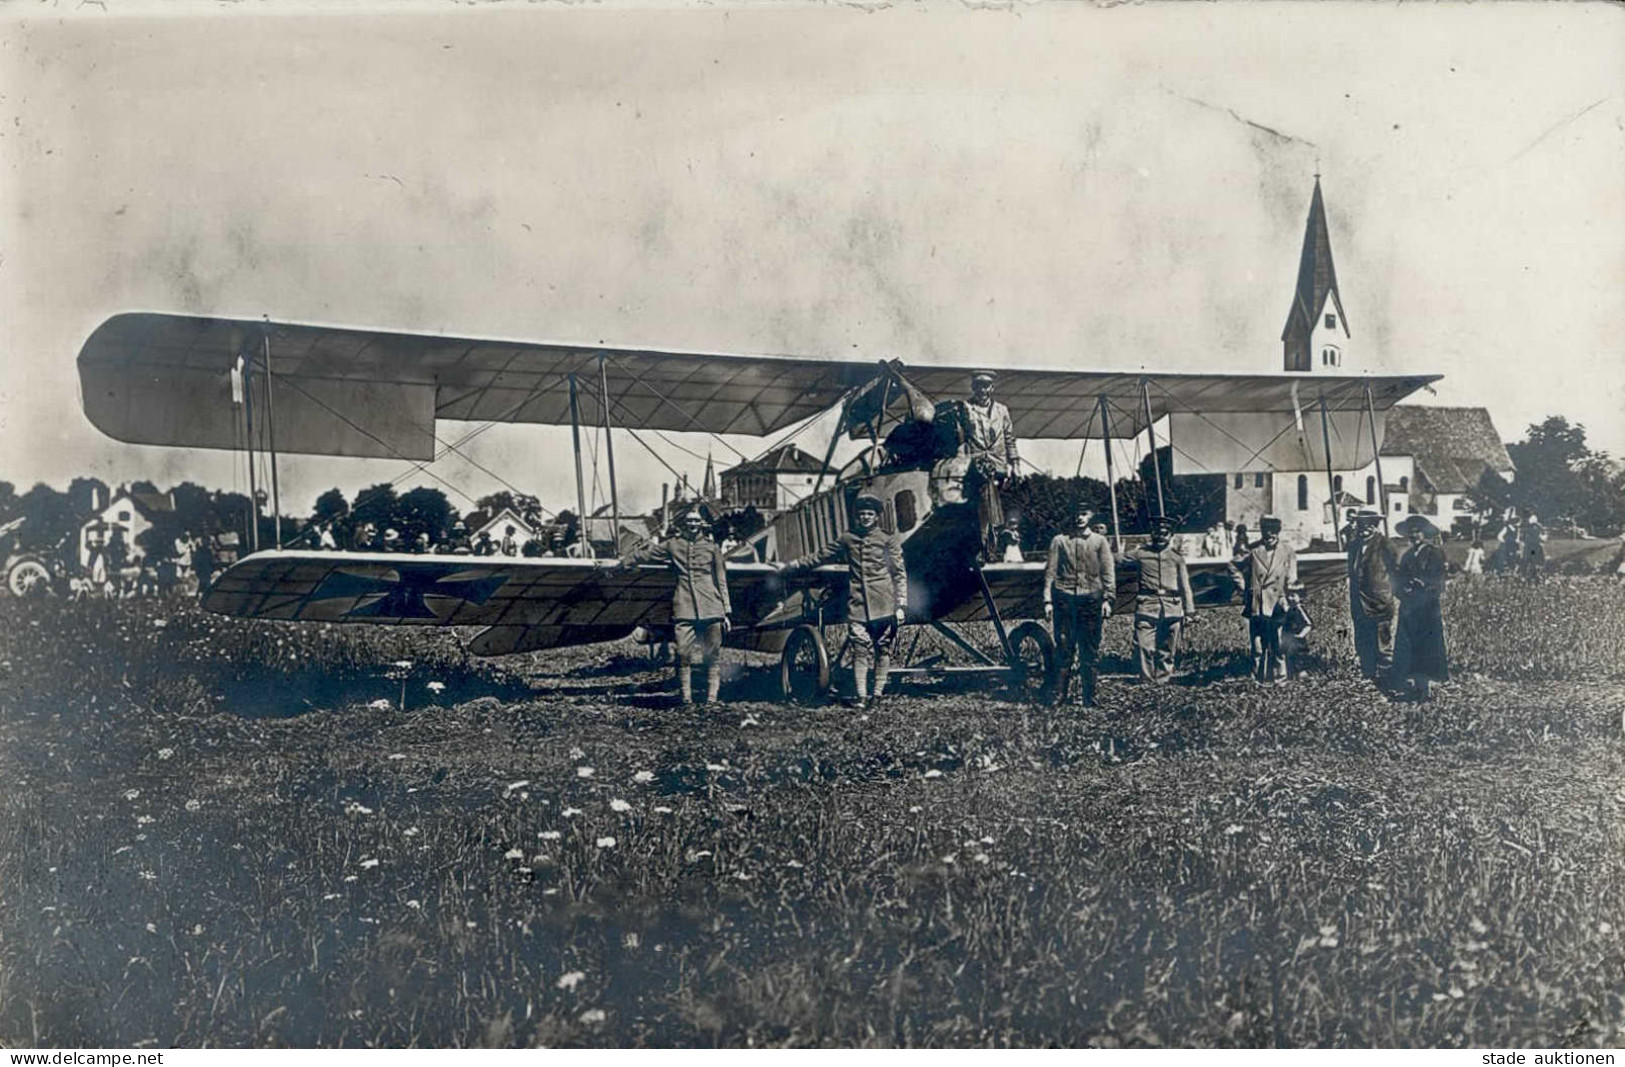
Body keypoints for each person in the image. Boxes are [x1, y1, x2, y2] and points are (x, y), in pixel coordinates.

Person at [779, 494, 907, 705]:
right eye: (862, 514)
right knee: (860, 648)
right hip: (857, 604)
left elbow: (899, 573)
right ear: (857, 516)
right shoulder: (848, 538)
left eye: (870, 514)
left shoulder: (887, 539)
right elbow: (822, 555)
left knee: (883, 648)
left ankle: (877, 693)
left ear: (876, 517)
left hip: (883, 603)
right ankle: (861, 696)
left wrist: (901, 604)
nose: (865, 517)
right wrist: (796, 564)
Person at [617, 508, 733, 706]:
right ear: (683, 524)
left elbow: (721, 579)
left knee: (712, 654)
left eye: (696, 521)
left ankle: (711, 699)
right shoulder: (673, 545)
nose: (693, 524)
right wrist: (622, 563)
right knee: (682, 653)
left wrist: (726, 611)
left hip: (712, 606)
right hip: (684, 606)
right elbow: (647, 554)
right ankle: (686, 698)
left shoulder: (712, 548)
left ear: (702, 524)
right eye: (689, 521)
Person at [937, 371, 1020, 557]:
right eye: (978, 386)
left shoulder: (1002, 410)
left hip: (998, 465)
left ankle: (1001, 542)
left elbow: (1009, 438)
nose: (982, 390)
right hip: (975, 467)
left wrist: (1015, 464)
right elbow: (959, 438)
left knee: (1003, 504)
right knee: (977, 507)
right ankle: (982, 547)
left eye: (986, 386)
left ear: (992, 388)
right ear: (973, 388)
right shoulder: (965, 408)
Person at [1043, 507, 1116, 706]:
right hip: (1065, 600)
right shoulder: (1059, 541)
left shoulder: (1100, 542)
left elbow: (1108, 572)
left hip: (1091, 600)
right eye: (1076, 513)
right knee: (1064, 648)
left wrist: (1108, 599)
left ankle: (1089, 697)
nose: (1079, 517)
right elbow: (1050, 572)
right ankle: (1059, 695)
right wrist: (1048, 601)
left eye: (1083, 513)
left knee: (1089, 650)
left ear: (1090, 516)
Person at [1127, 516, 1195, 683]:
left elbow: (1185, 586)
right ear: (1152, 534)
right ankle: (1146, 681)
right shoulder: (1140, 554)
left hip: (1172, 606)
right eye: (1157, 533)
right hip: (1147, 605)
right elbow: (1111, 559)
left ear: (1170, 535)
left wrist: (1190, 611)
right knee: (1144, 646)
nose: (1160, 536)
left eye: (1165, 533)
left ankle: (1162, 681)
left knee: (1167, 647)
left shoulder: (1176, 558)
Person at [1393, 515, 1449, 701]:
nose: (1414, 536)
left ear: (1425, 534)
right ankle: (1412, 685)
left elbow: (1439, 580)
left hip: (1426, 607)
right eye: (1412, 533)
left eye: (1418, 532)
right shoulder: (1408, 555)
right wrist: (1403, 589)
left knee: (1426, 646)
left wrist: (1423, 583)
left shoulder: (1435, 553)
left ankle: (1424, 689)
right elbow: (1398, 580)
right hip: (1409, 607)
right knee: (1408, 645)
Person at [1346, 508, 1400, 688]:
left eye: (1368, 526)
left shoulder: (1385, 544)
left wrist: (1388, 591)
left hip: (1379, 601)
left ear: (1375, 526)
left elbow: (1396, 570)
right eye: (1361, 526)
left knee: (1382, 641)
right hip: (1359, 601)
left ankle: (1386, 678)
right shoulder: (1354, 545)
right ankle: (1367, 674)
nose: (1364, 529)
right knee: (1362, 638)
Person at [1242, 515, 1299, 683]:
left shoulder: (1287, 551)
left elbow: (1292, 577)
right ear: (1261, 533)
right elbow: (1233, 566)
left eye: (1273, 532)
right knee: (1258, 644)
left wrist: (1291, 596)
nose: (1269, 535)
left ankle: (1280, 678)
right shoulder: (1252, 550)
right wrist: (1246, 588)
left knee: (1278, 642)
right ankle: (1256, 679)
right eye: (1266, 532)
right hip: (1257, 602)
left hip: (1278, 602)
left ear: (1278, 533)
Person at [1519, 513, 1546, 580]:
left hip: (1530, 546)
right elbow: (1541, 536)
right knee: (1533, 559)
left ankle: (1526, 574)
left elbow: (1523, 537)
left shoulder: (1528, 527)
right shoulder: (1536, 527)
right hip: (1533, 547)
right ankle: (1531, 574)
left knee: (1528, 559)